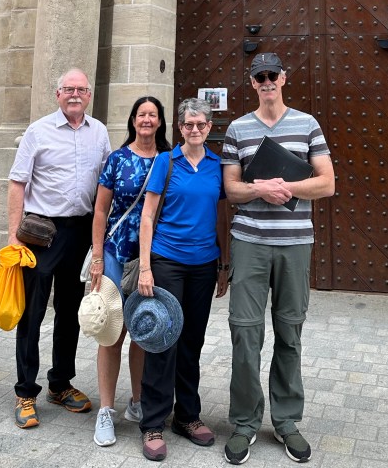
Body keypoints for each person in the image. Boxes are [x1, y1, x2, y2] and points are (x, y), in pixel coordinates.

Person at [221, 53, 335, 465]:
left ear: (283, 79)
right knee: (245, 332)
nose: (267, 81)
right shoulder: (237, 128)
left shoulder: (307, 124)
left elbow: (327, 183)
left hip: (294, 243)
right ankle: (244, 422)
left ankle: (286, 421)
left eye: (272, 75)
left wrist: (285, 186)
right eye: (260, 77)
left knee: (289, 332)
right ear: (252, 83)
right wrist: (259, 190)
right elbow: (231, 189)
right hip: (249, 242)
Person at [7, 68, 111, 429]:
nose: (75, 94)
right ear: (58, 94)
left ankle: (60, 384)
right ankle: (25, 391)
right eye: (68, 89)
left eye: (81, 89)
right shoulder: (38, 131)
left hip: (80, 231)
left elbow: (106, 183)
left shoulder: (99, 132)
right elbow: (17, 182)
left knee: (69, 313)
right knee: (32, 313)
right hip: (41, 232)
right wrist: (13, 236)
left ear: (89, 95)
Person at [136, 97, 230, 461]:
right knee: (163, 340)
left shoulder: (217, 165)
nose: (194, 130)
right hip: (167, 261)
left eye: (201, 124)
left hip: (204, 264)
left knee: (192, 341)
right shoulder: (166, 162)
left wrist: (223, 264)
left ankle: (187, 416)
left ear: (209, 128)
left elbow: (221, 216)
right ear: (179, 128)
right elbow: (147, 216)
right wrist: (146, 267)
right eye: (188, 124)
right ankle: (153, 422)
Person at [89, 96, 172, 447]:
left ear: (160, 121)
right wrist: (96, 257)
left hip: (153, 257)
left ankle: (138, 402)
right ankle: (105, 410)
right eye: (141, 114)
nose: (147, 120)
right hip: (115, 252)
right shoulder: (118, 159)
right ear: (133, 120)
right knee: (111, 331)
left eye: (153, 115)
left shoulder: (170, 159)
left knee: (142, 329)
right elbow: (100, 210)